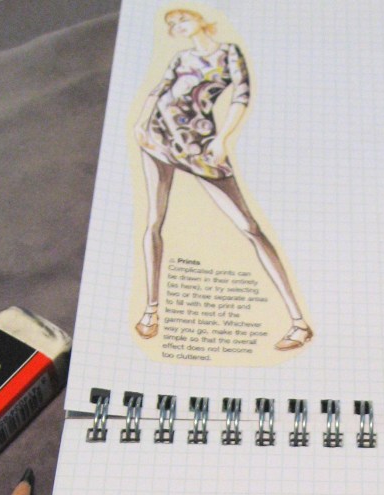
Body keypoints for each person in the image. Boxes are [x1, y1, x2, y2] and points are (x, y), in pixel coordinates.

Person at [132, 7, 312, 351]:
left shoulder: (228, 52)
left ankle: (299, 323)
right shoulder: (181, 57)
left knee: (249, 227)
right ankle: (151, 311)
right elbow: (158, 91)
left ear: (200, 20)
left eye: (182, 19)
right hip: (157, 137)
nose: (178, 26)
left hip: (199, 144)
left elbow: (241, 97)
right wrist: (141, 124)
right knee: (154, 220)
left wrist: (221, 138)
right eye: (173, 24)